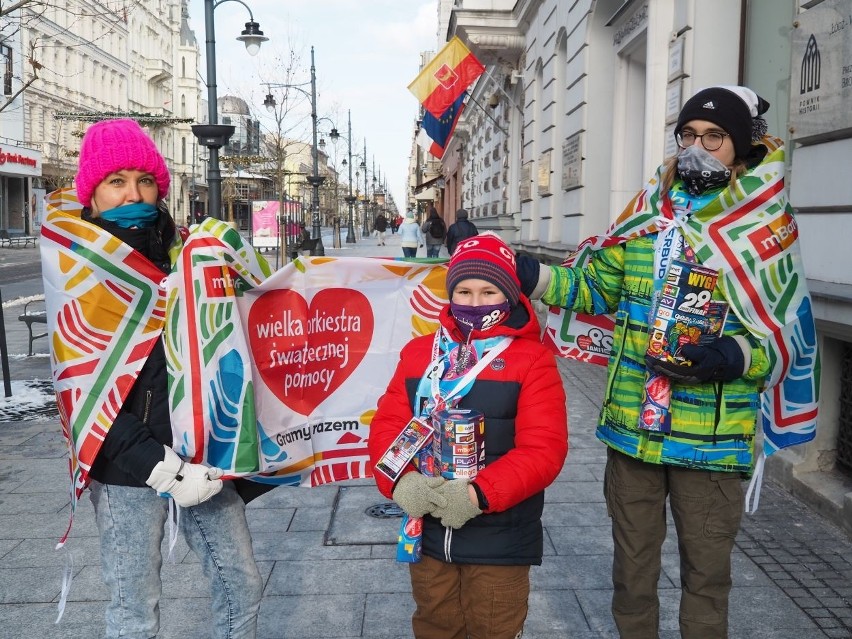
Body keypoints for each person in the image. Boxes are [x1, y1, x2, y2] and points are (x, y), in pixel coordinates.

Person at [516, 86, 819, 638]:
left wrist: (733, 356)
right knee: (632, 573)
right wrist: (529, 273)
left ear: (740, 146)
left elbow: (785, 329)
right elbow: (594, 287)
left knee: (706, 579)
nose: (696, 148)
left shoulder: (762, 224)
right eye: (687, 136)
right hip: (634, 431)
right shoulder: (647, 213)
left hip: (712, 437)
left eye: (713, 137)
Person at [70, 119, 263, 638]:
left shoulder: (184, 257)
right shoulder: (79, 271)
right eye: (116, 181)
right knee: (134, 609)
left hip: (204, 455)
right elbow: (83, 397)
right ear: (91, 195)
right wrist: (164, 471)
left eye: (145, 180)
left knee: (240, 586)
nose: (134, 193)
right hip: (130, 471)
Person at [368, 232, 568, 639]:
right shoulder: (420, 352)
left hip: (500, 538)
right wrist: (398, 480)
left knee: (493, 628)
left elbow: (544, 449)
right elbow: (388, 424)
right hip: (428, 534)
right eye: (464, 291)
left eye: (488, 291)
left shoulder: (532, 360)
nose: (475, 303)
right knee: (434, 624)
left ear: (509, 295)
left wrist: (479, 494)